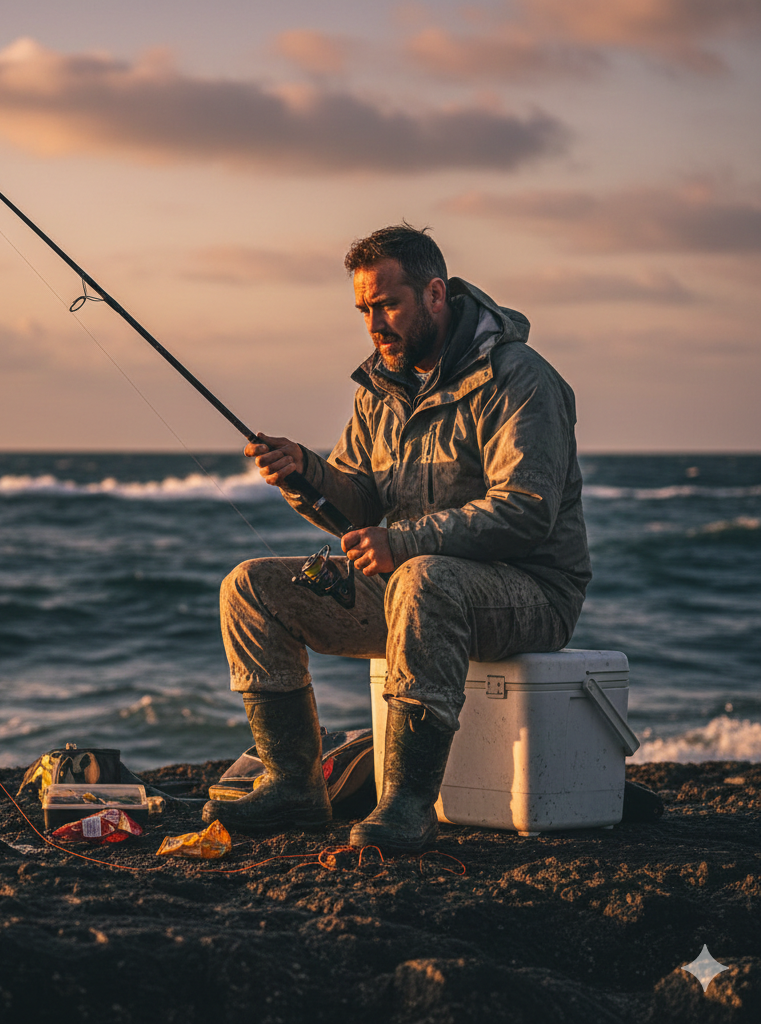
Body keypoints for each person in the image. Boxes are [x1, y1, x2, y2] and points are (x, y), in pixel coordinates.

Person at [201, 224, 592, 853]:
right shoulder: (383, 387)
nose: (373, 324)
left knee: (422, 578)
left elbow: (527, 511)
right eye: (362, 309)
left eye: (387, 305)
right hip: (415, 588)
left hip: (533, 594)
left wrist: (404, 545)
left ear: (435, 294)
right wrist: (305, 471)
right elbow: (357, 501)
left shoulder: (521, 378)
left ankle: (408, 805)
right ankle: (295, 786)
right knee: (251, 588)